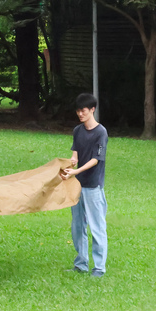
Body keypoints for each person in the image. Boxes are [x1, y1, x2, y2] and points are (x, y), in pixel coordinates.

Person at [60, 93, 108, 277]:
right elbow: (75, 153)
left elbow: (96, 159)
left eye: (84, 111)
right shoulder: (78, 130)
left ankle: (99, 268)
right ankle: (81, 264)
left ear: (92, 110)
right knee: (78, 226)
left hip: (93, 186)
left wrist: (77, 171)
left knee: (97, 227)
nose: (80, 114)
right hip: (77, 187)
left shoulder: (101, 132)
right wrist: (72, 162)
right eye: (78, 111)